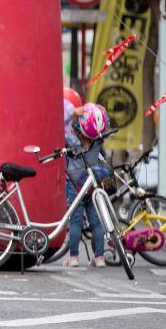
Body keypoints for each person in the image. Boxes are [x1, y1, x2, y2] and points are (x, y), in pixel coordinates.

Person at [64, 104, 107, 268]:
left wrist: (73, 114)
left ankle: (74, 257)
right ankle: (100, 257)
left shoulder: (72, 139)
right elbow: (105, 122)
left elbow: (62, 127)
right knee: (96, 222)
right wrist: (97, 110)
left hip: (76, 185)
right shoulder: (97, 140)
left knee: (75, 223)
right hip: (93, 184)